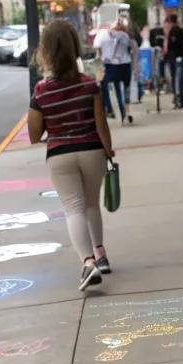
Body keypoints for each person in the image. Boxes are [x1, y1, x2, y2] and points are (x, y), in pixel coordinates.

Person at [27, 17, 115, 291]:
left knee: (73, 208)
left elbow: (33, 134)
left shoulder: (42, 90)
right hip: (92, 151)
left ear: (46, 51)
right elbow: (101, 124)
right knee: (91, 204)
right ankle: (100, 254)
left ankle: (87, 262)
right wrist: (109, 151)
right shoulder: (90, 85)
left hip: (60, 154)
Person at [163, 12, 183, 107]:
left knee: (176, 79)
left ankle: (179, 99)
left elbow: (170, 46)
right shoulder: (178, 31)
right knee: (178, 79)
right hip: (177, 57)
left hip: (175, 58)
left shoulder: (174, 32)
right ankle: (181, 99)